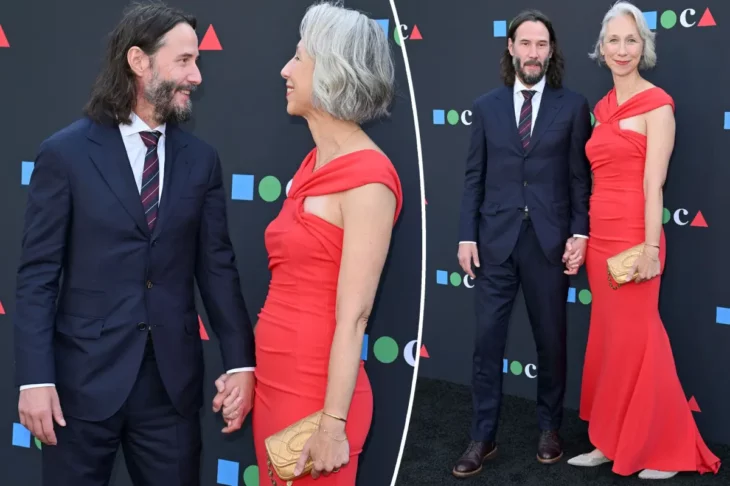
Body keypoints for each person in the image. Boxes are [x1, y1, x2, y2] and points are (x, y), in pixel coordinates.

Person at [13, 4, 256, 485]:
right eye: (184, 61)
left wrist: (241, 362)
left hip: (171, 388)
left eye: (196, 61)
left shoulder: (201, 160)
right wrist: (35, 379)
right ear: (139, 62)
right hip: (78, 388)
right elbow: (37, 276)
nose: (197, 76)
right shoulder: (65, 153)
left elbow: (217, 269)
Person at [213, 2, 402, 484]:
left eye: (299, 58)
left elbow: (355, 315)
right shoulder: (311, 164)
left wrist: (333, 426)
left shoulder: (368, 180)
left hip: (317, 398)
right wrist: (250, 374)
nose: (285, 69)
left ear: (333, 71)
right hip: (276, 381)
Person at [565, 1, 721, 479]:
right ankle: (610, 441)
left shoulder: (658, 105)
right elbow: (595, 180)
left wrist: (651, 249)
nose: (622, 48)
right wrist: (584, 236)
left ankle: (663, 448)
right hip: (601, 238)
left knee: (640, 340)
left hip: (636, 237)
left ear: (644, 47)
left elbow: (654, 186)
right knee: (611, 344)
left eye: (631, 39)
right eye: (613, 40)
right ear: (602, 49)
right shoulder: (602, 108)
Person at [452, 9, 593, 478]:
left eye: (541, 45)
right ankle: (482, 436)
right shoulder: (486, 106)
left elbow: (579, 179)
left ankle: (550, 427)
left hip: (549, 242)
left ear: (551, 52)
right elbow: (474, 178)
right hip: (494, 242)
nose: (533, 53)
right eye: (525, 43)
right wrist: (466, 234)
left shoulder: (572, 106)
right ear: (510, 47)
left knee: (551, 341)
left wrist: (579, 232)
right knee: (487, 343)